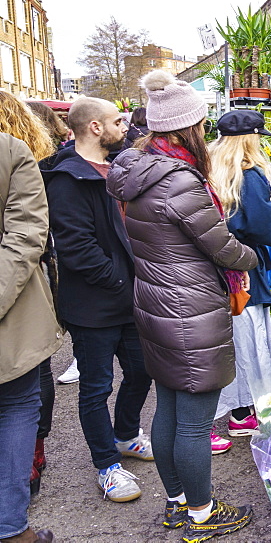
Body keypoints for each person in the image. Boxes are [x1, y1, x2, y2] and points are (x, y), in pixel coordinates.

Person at [107, 70, 258, 541]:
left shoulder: (138, 169)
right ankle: (201, 514)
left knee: (170, 407)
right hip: (190, 312)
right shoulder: (180, 182)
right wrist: (254, 255)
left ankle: (177, 503)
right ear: (186, 127)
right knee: (193, 421)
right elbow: (222, 246)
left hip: (157, 304)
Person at [43, 97, 154, 503]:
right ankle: (107, 466)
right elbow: (78, 250)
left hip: (129, 298)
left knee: (142, 371)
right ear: (94, 127)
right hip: (93, 306)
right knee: (96, 387)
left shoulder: (119, 167)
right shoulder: (68, 178)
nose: (124, 126)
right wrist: (127, 286)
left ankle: (125, 435)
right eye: (117, 120)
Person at [0, 90, 61, 543]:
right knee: (18, 409)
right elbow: (25, 236)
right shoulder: (9, 149)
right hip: (11, 317)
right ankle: (12, 529)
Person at [207, 111, 271, 454]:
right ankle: (248, 412)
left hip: (219, 267)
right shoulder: (249, 173)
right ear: (251, 138)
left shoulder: (209, 167)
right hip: (245, 270)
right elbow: (256, 224)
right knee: (250, 341)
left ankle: (239, 413)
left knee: (230, 342)